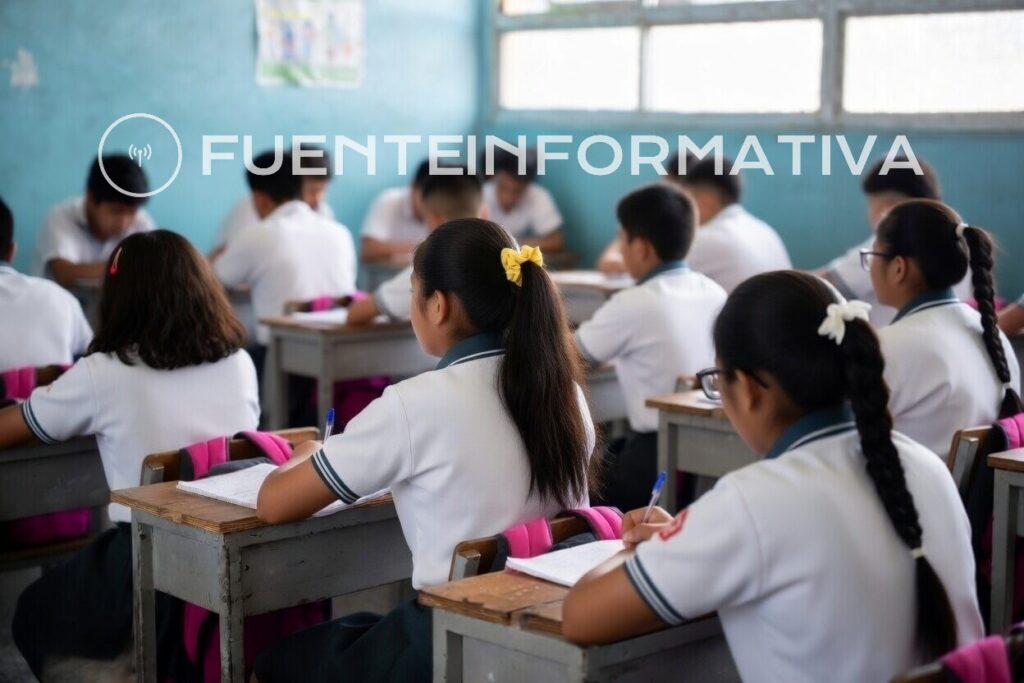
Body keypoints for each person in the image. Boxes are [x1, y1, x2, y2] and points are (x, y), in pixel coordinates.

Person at [562, 270, 983, 683]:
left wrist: (638, 551)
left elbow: (581, 616)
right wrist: (685, 540)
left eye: (717, 380)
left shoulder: (752, 501)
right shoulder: (926, 466)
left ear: (747, 389)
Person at [251, 220, 597, 682]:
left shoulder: (413, 404)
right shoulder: (565, 393)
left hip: (455, 638)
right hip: (546, 627)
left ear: (438, 305)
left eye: (414, 291)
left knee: (274, 663)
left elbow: (273, 504)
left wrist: (306, 453)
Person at [3, 230, 260, 681]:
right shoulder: (239, 362)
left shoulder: (103, 372)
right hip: (229, 546)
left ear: (118, 299)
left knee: (33, 609)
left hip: (143, 560)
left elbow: (14, 427)